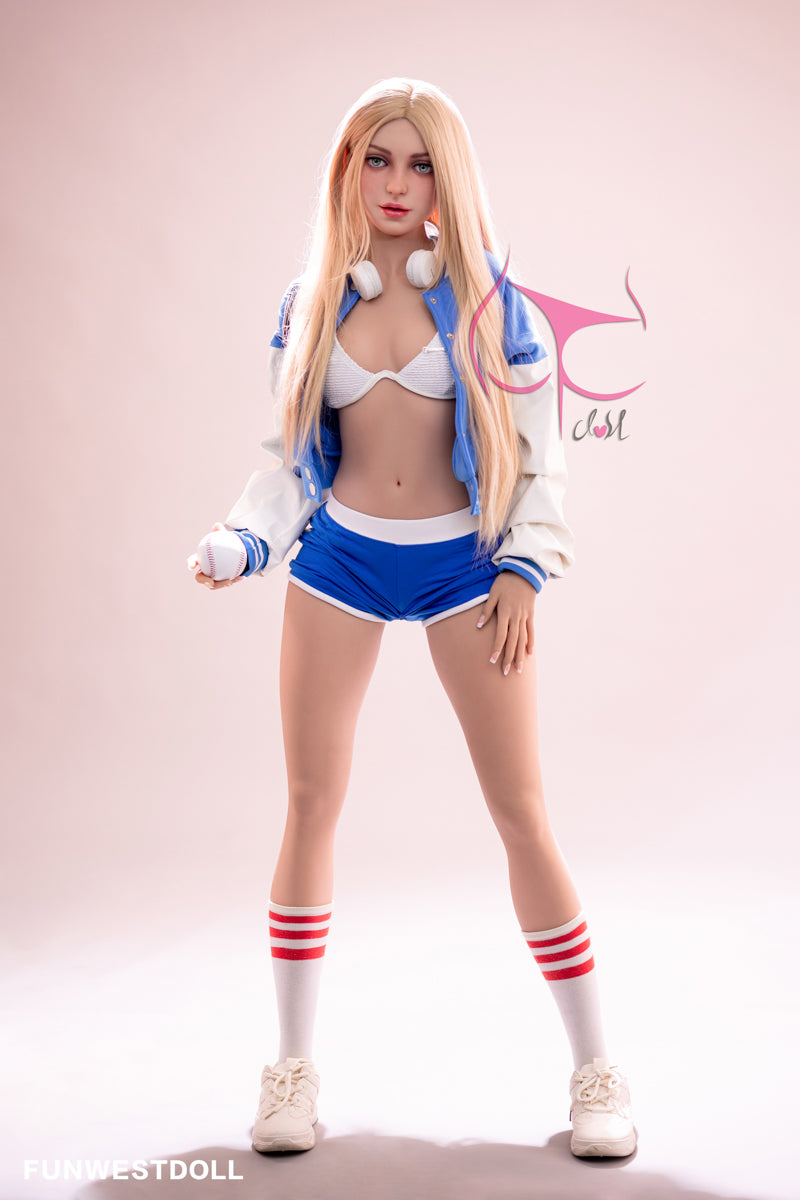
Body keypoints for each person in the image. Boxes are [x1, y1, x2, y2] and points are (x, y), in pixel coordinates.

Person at [187, 77, 637, 1160]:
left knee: (521, 813)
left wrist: (525, 567)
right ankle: (290, 1072)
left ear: (449, 178)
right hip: (339, 564)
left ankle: (596, 1072)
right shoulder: (309, 303)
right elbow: (288, 462)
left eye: (421, 163)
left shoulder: (493, 305)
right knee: (309, 803)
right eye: (376, 160)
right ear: (348, 172)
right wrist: (244, 540)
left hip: (462, 573)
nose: (397, 183)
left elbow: (541, 456)